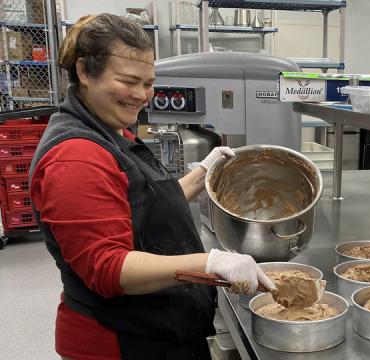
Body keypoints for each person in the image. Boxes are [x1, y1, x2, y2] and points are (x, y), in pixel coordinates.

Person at [29, 14, 274, 360]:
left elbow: (144, 202)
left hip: (155, 328)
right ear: (84, 72)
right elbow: (108, 267)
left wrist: (204, 173)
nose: (142, 95)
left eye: (148, 83)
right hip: (118, 341)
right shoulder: (76, 157)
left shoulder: (111, 130)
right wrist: (209, 262)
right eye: (129, 81)